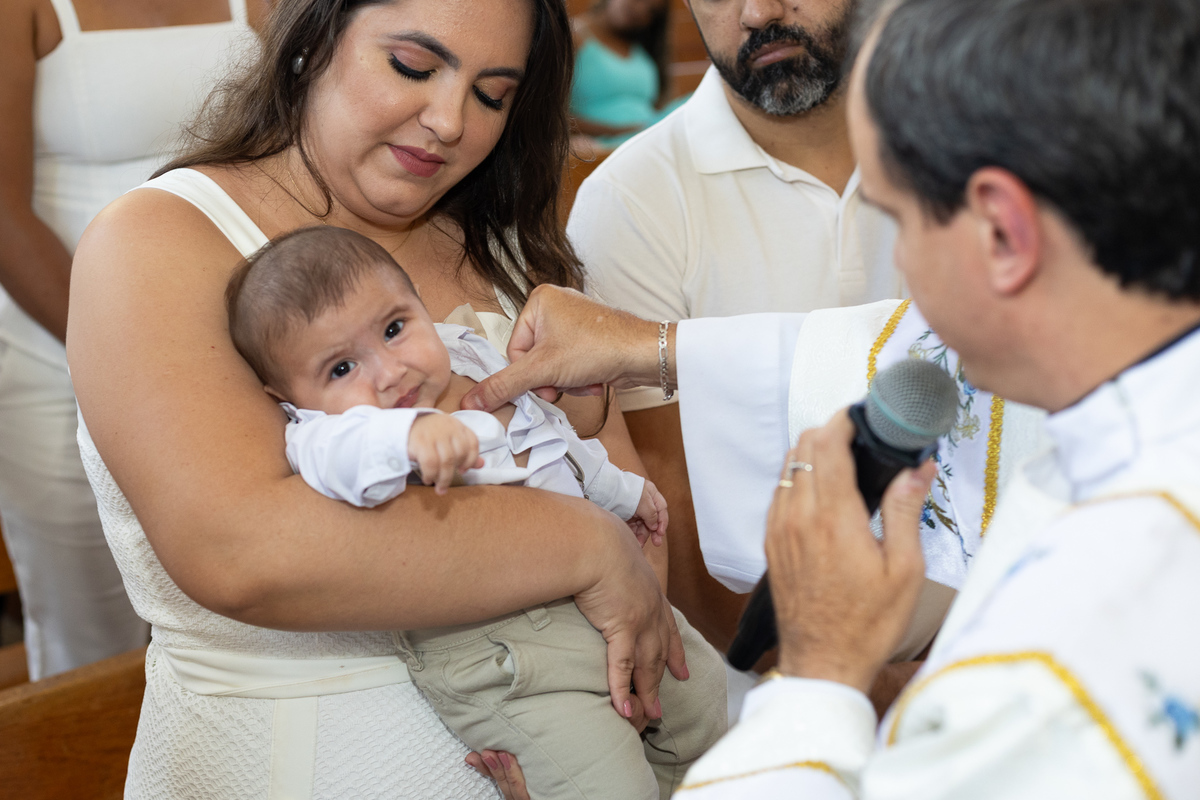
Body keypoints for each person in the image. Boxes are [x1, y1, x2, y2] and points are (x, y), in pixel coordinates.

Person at [461, 0, 1200, 795]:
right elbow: (886, 351)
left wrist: (820, 674)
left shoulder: (1064, 650)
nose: (899, 278)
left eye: (899, 219)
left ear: (1002, 232)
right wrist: (657, 349)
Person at [66, 0, 687, 797]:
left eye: (492, 95)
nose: (450, 121)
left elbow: (628, 506)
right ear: (312, 39)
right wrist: (584, 545)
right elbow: (244, 554)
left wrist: (606, 723)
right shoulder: (157, 239)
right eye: (413, 67)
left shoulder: (502, 245)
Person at [225, 225, 727, 799]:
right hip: (499, 650)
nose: (388, 372)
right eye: (341, 369)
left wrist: (619, 491)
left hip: (599, 601)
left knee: (704, 694)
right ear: (287, 397)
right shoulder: (328, 433)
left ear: (418, 302)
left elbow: (552, 440)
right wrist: (405, 437)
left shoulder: (467, 353)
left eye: (394, 329)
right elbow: (340, 462)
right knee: (605, 784)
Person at [566, 0, 914, 663]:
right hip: (772, 669)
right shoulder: (631, 202)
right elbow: (673, 530)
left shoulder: (955, 142)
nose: (757, 12)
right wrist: (857, 681)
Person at [0, 0, 262, 680]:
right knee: (86, 629)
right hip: (57, 346)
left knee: (240, 616)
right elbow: (2, 209)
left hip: (238, 348)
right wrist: (138, 350)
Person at [569, 0, 686, 150]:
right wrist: (623, 131)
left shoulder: (641, 49)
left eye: (651, 11)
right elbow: (552, 118)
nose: (640, 10)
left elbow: (657, 106)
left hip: (647, 137)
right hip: (602, 144)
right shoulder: (573, 37)